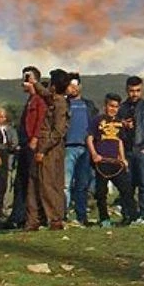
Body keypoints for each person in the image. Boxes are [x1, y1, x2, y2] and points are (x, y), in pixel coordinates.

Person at [25, 70, 70, 231]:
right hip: (47, 146)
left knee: (48, 183)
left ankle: (55, 220)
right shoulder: (55, 98)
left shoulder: (59, 104)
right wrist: (34, 82)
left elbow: (58, 131)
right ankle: (34, 220)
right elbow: (44, 93)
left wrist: (42, 150)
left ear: (54, 86)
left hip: (50, 148)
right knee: (36, 182)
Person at [88, 93, 136, 227]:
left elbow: (119, 141)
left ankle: (130, 216)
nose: (113, 109)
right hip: (102, 162)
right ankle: (104, 219)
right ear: (105, 106)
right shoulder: (97, 120)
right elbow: (90, 138)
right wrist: (94, 154)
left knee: (126, 189)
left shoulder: (119, 122)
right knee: (101, 193)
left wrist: (123, 159)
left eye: (116, 106)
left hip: (116, 163)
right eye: (111, 106)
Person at [8, 67, 44, 229]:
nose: (23, 82)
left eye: (26, 78)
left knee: (30, 181)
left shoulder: (38, 100)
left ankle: (30, 216)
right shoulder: (30, 100)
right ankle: (18, 216)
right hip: (24, 144)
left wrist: (35, 138)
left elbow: (40, 119)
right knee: (21, 181)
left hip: (31, 143)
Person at [120, 76, 144, 223]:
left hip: (142, 150)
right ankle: (128, 214)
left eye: (137, 90)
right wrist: (122, 125)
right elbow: (115, 130)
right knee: (127, 185)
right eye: (131, 91)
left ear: (142, 90)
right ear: (127, 90)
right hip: (127, 151)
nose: (134, 94)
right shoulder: (122, 108)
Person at [63, 73, 97, 226]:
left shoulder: (89, 105)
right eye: (70, 85)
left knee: (82, 184)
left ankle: (81, 216)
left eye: (76, 84)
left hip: (85, 148)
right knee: (66, 184)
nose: (73, 88)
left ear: (80, 86)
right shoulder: (63, 104)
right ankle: (62, 215)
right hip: (67, 147)